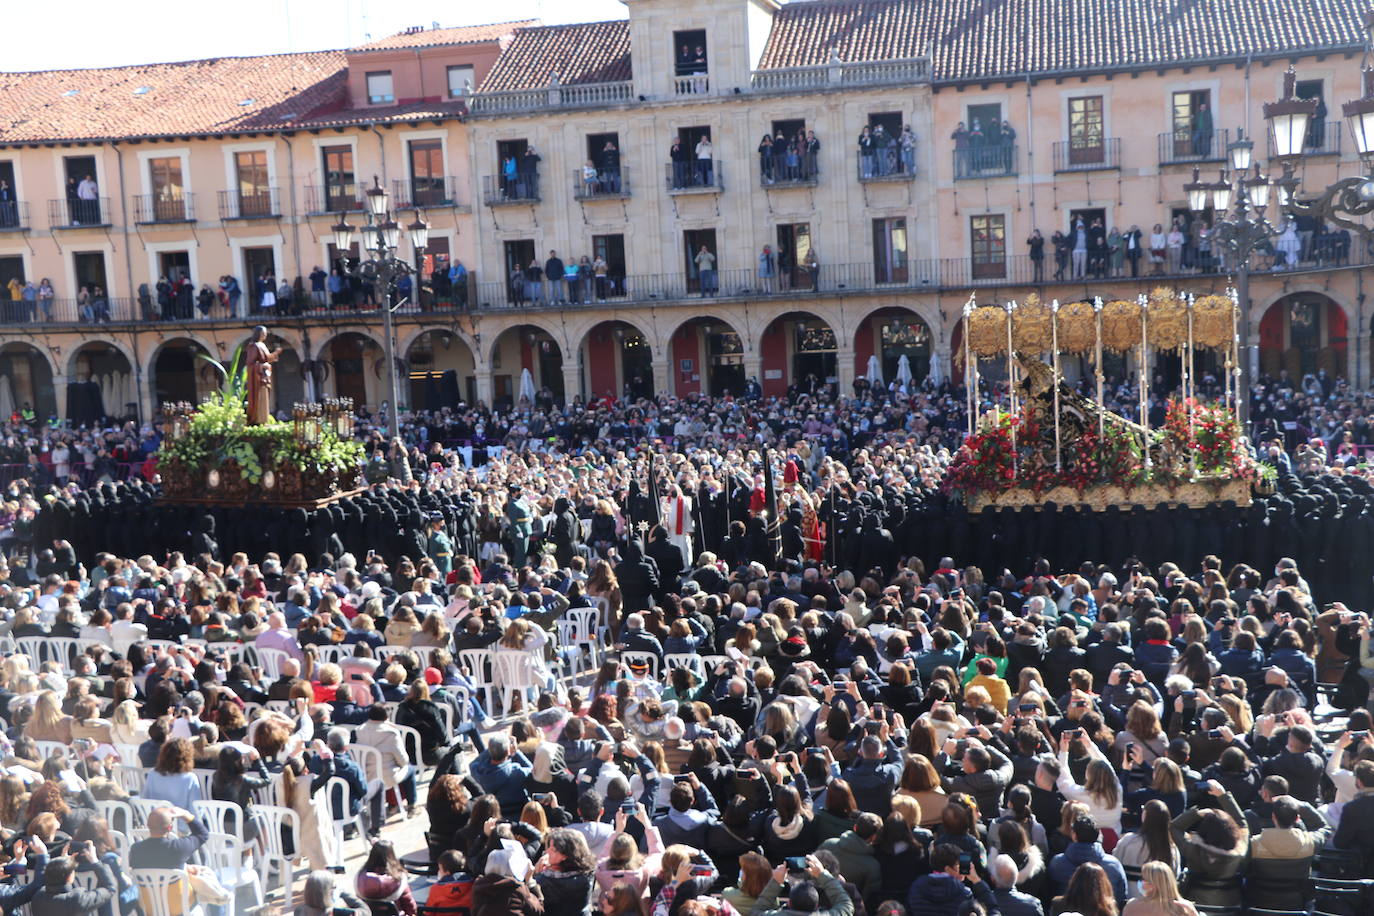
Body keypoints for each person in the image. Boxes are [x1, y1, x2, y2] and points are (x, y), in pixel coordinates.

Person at [32, 844, 114, 916]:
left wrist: (64, 862)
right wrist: (95, 861)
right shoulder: (77, 900)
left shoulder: (38, 896)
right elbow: (109, 888)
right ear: (69, 877)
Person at [128, 805, 209, 869]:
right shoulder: (179, 848)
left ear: (148, 825)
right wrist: (186, 815)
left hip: (146, 890)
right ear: (170, 828)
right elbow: (203, 834)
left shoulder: (135, 850)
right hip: (176, 890)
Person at [1122, 861, 1198, 916]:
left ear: (1153, 884)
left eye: (1143, 878)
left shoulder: (1132, 906)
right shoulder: (1184, 908)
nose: (1140, 881)